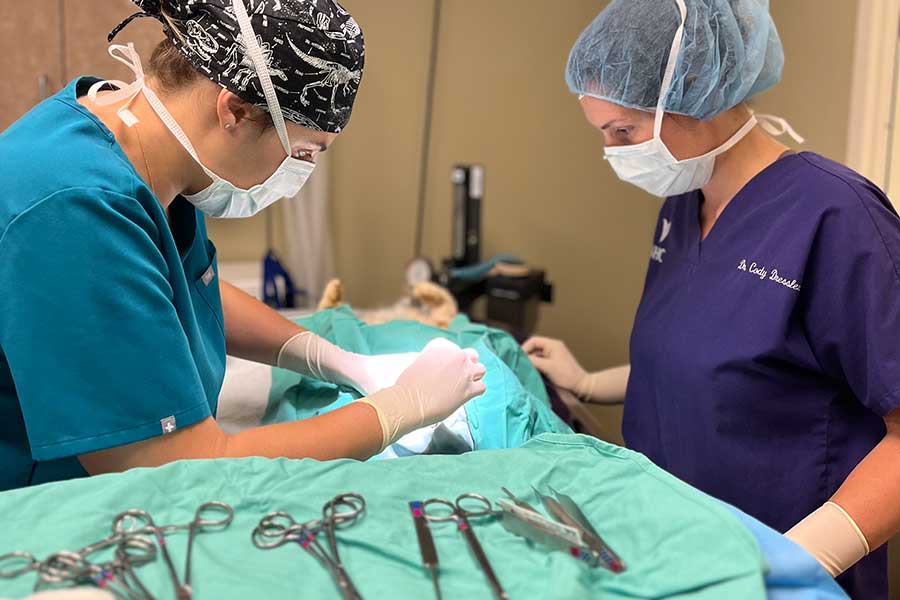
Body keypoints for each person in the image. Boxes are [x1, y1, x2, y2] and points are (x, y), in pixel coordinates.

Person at [0, 0, 486, 492]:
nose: (300, 176)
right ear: (234, 108)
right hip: (32, 506)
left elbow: (178, 290)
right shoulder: (75, 208)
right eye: (303, 152)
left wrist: (334, 359)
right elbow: (180, 469)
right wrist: (398, 410)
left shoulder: (143, 142)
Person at [524, 0, 900, 597]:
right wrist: (594, 383)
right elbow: (724, 358)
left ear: (699, 89)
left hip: (781, 572)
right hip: (673, 553)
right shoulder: (684, 202)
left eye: (624, 130)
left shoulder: (838, 216)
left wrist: (797, 561)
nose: (614, 152)